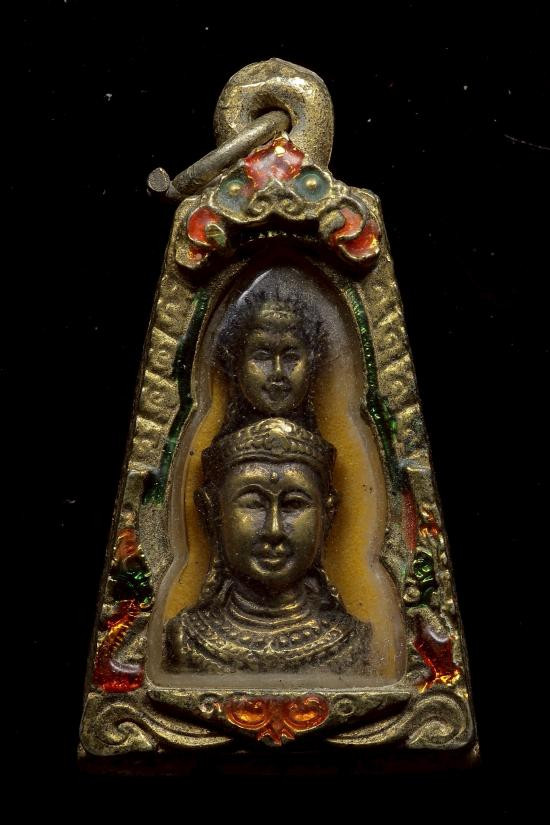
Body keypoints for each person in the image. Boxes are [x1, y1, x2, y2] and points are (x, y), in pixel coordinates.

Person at [165, 417, 372, 674]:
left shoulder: (352, 642)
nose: (274, 530)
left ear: (327, 515)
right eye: (253, 504)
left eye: (294, 504)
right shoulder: (185, 640)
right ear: (213, 513)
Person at [215, 282, 324, 436]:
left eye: (291, 357)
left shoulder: (319, 449)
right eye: (262, 357)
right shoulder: (224, 450)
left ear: (311, 365)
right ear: (235, 366)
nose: (278, 371)